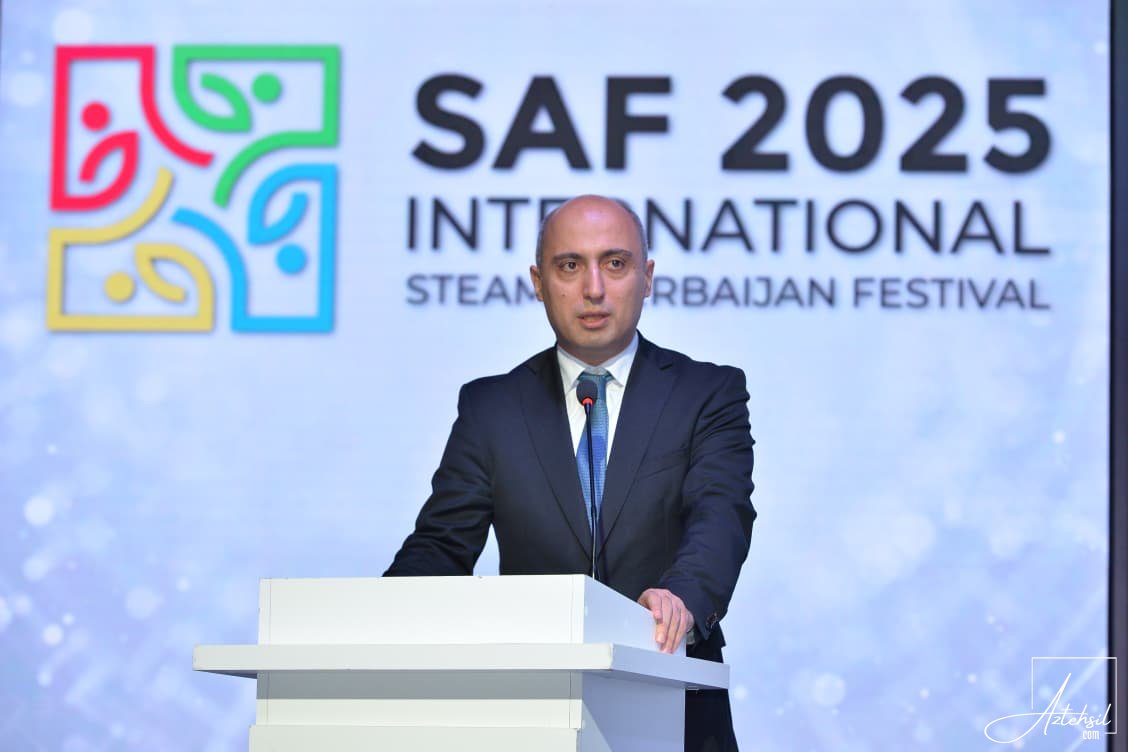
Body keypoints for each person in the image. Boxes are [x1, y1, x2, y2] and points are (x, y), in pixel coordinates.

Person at [385, 194, 756, 751]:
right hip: (532, 706)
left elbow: (720, 515)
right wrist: (377, 619)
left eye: (615, 263)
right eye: (569, 265)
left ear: (648, 277)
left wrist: (681, 597)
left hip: (675, 694)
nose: (593, 289)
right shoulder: (492, 407)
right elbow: (440, 546)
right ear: (538, 282)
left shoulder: (707, 393)